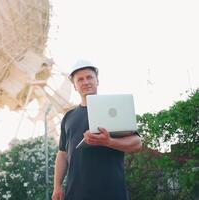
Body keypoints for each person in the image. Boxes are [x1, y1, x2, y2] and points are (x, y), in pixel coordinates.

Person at [52, 59, 142, 200]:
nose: (86, 82)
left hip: (111, 192)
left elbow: (137, 144)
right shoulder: (68, 117)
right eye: (80, 79)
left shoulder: (114, 108)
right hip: (75, 194)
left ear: (97, 80)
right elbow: (62, 154)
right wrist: (57, 186)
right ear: (74, 86)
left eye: (89, 77)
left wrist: (108, 142)